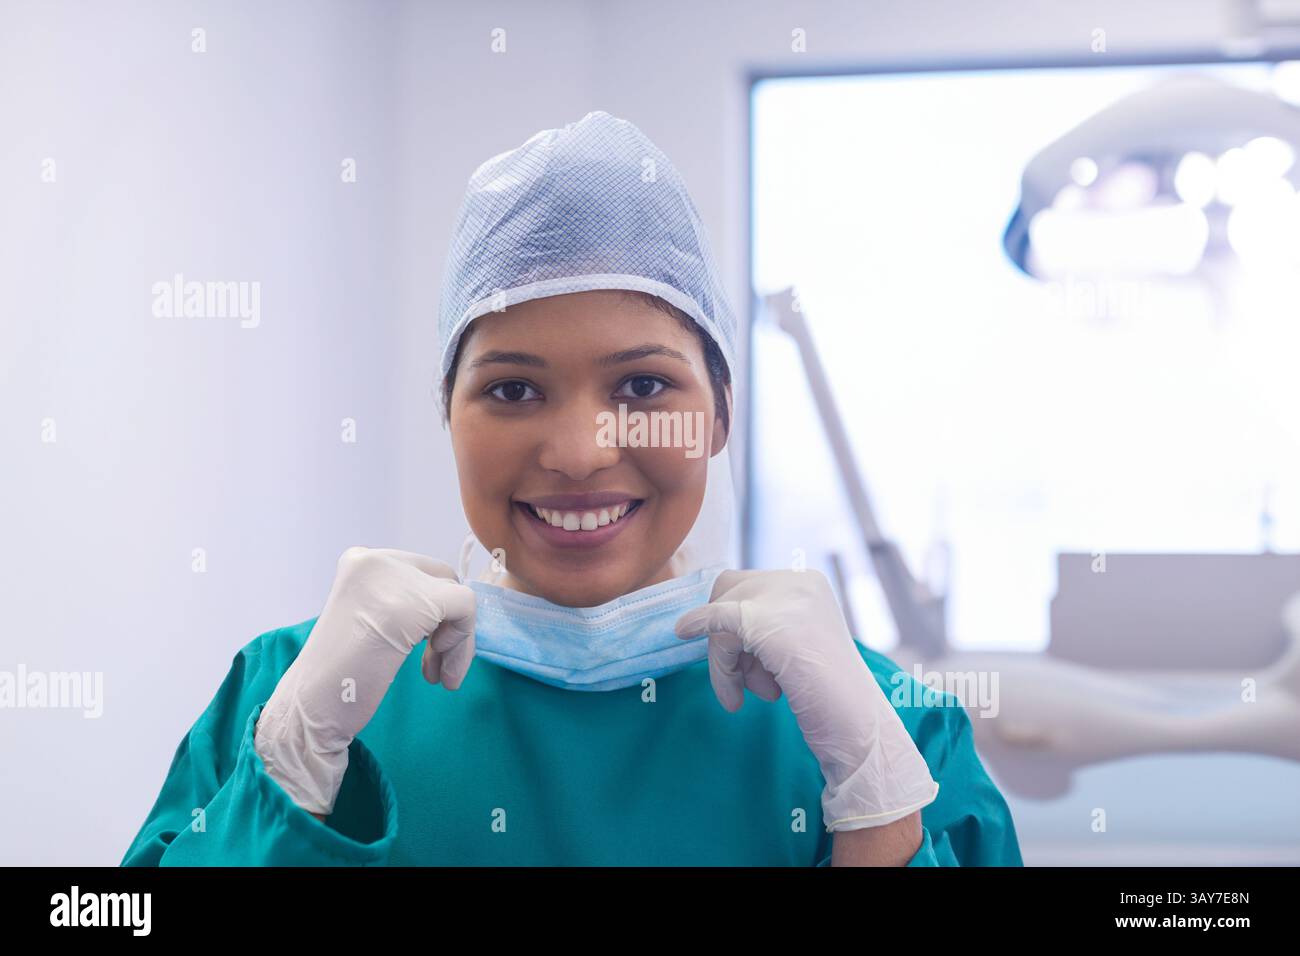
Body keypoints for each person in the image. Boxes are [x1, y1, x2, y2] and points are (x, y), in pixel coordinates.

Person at [121, 111, 1022, 866]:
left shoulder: (885, 729)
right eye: (512, 389)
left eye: (642, 386)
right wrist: (286, 774)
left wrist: (877, 806)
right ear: (448, 413)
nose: (584, 453)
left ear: (720, 417)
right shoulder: (289, 695)